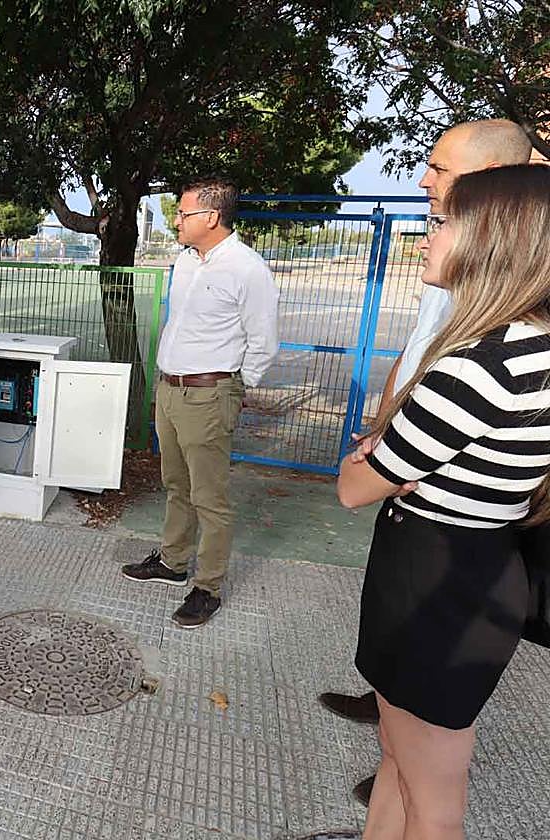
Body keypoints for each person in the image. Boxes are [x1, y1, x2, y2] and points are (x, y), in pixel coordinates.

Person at [317, 119, 534, 808]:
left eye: (443, 217)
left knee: (432, 802)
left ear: (491, 228)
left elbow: (353, 488)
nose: (426, 220)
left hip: (438, 570)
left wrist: (387, 452)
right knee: (400, 764)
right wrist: (396, 438)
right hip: (473, 556)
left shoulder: (479, 369)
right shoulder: (528, 348)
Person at [121, 175, 279, 628]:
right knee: (176, 484)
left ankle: (207, 586)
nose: (177, 220)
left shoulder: (247, 269)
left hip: (209, 392)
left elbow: (263, 341)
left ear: (211, 217)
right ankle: (172, 562)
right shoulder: (187, 262)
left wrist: (233, 387)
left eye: (184, 213)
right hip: (170, 390)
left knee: (210, 498)